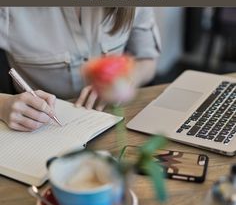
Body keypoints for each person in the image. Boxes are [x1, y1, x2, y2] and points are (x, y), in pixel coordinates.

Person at [0, 7, 161, 132]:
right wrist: (3, 105)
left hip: (114, 119)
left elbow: (146, 60)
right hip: (40, 127)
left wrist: (126, 81)